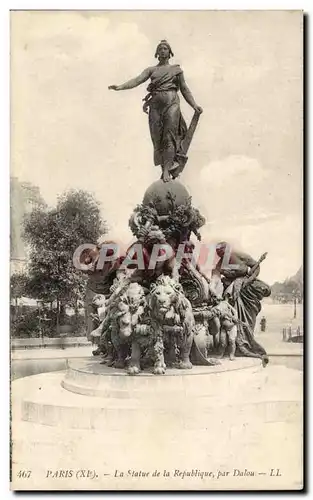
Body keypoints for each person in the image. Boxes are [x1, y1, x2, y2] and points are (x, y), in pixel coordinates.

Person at [109, 40, 203, 182]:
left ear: (169, 52)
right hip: (155, 105)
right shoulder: (151, 70)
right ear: (156, 53)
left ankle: (166, 171)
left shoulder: (176, 70)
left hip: (171, 102)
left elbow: (184, 89)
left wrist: (194, 105)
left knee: (169, 137)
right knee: (157, 139)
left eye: (165, 48)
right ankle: (164, 168)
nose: (163, 50)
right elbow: (137, 80)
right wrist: (120, 87)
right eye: (160, 48)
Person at [214, 242, 271, 364]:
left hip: (247, 289)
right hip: (231, 290)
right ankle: (235, 346)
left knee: (248, 319)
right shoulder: (221, 262)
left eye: (223, 253)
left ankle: (246, 343)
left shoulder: (240, 256)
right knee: (232, 318)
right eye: (219, 254)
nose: (222, 256)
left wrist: (249, 280)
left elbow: (256, 266)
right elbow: (215, 274)